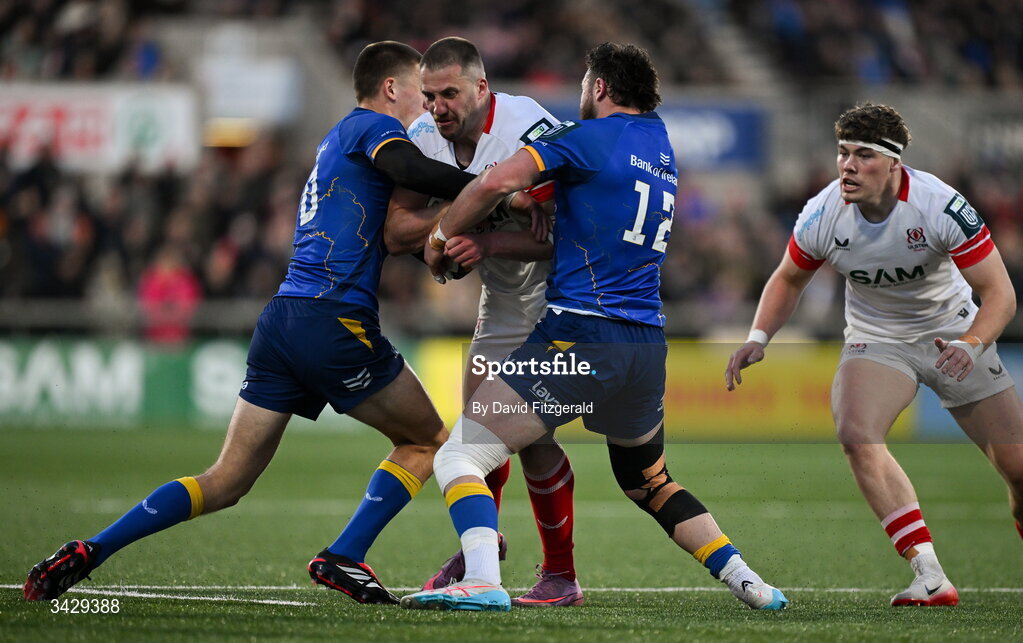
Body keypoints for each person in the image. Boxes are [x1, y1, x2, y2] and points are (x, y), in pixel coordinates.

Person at [23, 41, 483, 604]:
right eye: (421, 87)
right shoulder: (368, 126)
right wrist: (489, 187)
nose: (429, 101)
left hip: (283, 319)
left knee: (225, 481)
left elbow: (389, 233)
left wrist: (439, 240)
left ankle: (89, 550)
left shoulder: (336, 144)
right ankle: (345, 554)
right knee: (428, 439)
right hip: (334, 318)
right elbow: (410, 168)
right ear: (392, 88)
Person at [399, 42, 789, 612]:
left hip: (580, 336)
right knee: (650, 483)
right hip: (645, 345)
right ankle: (753, 584)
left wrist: (438, 241)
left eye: (585, 84)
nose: (580, 94)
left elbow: (487, 185)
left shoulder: (583, 140)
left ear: (600, 88)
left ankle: (482, 579)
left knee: (459, 456)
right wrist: (498, 233)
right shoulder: (660, 149)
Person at [725, 102, 1023, 607]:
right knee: (857, 434)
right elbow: (789, 277)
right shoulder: (822, 212)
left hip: (956, 334)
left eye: (863, 155)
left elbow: (1001, 295)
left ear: (894, 164)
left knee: (1019, 472)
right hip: (876, 339)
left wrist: (972, 344)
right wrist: (759, 336)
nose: (847, 165)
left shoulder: (938, 205)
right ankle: (929, 575)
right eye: (843, 153)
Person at [384, 36, 582, 607]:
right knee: (477, 432)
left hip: (554, 299)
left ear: (481, 88)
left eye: (449, 94)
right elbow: (398, 233)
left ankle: (561, 576)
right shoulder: (423, 137)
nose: (437, 107)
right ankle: (480, 552)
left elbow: (566, 237)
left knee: (530, 441)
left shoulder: (529, 127)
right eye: (429, 95)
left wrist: (484, 235)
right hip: (499, 301)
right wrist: (468, 220)